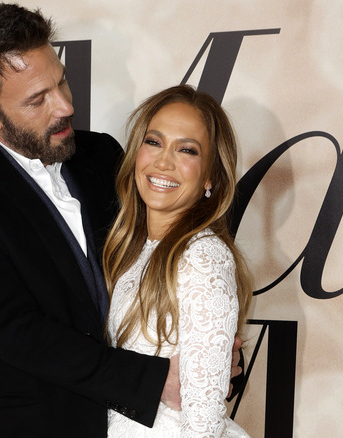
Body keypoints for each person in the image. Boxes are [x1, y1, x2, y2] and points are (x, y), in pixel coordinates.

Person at [0, 4, 221, 436]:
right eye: (38, 100)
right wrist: (153, 380)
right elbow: (17, 331)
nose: (66, 106)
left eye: (62, 81)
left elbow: (165, 261)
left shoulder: (102, 155)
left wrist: (210, 353)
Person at [103, 85, 252, 437]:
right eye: (153, 142)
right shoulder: (130, 247)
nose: (163, 162)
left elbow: (203, 419)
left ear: (211, 176)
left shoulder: (203, 255)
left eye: (186, 149)